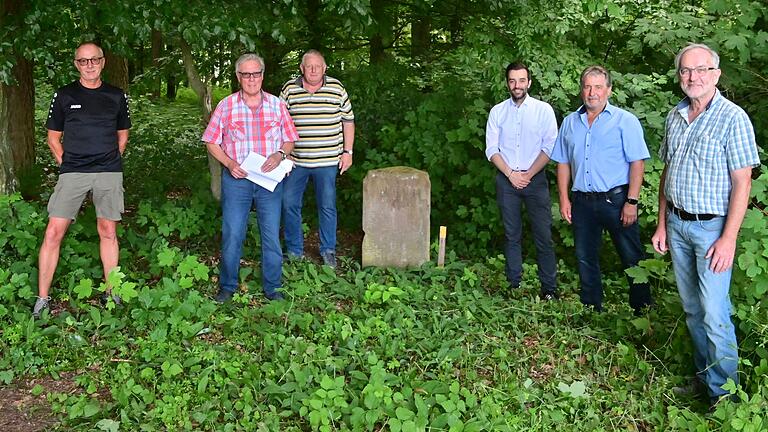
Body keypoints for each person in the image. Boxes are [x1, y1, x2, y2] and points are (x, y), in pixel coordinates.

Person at [652, 44, 758, 406]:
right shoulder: (675, 116)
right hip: (677, 225)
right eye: (685, 70)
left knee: (715, 314)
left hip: (713, 230)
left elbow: (743, 182)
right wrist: (662, 223)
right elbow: (667, 172)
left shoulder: (733, 118)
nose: (692, 77)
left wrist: (729, 239)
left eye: (700, 70)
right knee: (693, 309)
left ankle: (725, 399)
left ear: (715, 74)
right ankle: (705, 380)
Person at [33, 42, 131, 317]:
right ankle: (42, 299)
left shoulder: (116, 95)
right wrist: (69, 164)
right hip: (73, 171)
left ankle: (112, 294)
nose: (90, 65)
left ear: (103, 62)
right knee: (53, 231)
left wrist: (111, 158)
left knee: (108, 231)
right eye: (83, 61)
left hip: (108, 171)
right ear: (77, 64)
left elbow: (122, 134)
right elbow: (53, 138)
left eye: (94, 60)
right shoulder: (64, 95)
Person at [551, 65, 652, 314]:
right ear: (581, 90)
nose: (592, 92)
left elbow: (637, 163)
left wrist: (632, 201)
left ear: (609, 90)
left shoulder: (624, 121)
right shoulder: (570, 122)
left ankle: (643, 310)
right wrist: (564, 199)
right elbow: (563, 162)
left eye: (597, 87)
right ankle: (591, 308)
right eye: (587, 86)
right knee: (585, 257)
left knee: (631, 257)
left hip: (616, 201)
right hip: (582, 202)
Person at [202, 53, 298, 302]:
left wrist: (279, 154)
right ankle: (227, 286)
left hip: (268, 182)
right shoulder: (227, 106)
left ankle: (273, 287)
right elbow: (211, 141)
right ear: (238, 77)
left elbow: (289, 139)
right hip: (237, 181)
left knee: (270, 233)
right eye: (246, 74)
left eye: (256, 73)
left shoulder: (277, 105)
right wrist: (229, 163)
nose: (251, 78)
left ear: (262, 75)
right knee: (233, 232)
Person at [485, 62, 559, 299]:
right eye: (512, 81)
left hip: (535, 180)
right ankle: (513, 285)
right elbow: (491, 149)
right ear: (507, 83)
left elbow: (550, 147)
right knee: (511, 234)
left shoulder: (543, 110)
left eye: (521, 80)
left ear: (529, 82)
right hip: (507, 180)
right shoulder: (497, 112)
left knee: (543, 235)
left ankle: (549, 288)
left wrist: (527, 175)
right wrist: (510, 174)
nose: (517, 85)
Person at [279, 49, 355, 268]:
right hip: (296, 161)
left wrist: (348, 152)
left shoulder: (337, 88)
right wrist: (284, 152)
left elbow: (348, 121)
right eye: (308, 66)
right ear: (302, 68)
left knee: (327, 206)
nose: (313, 70)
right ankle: (294, 251)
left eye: (317, 66)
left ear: (325, 68)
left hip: (328, 160)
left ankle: (328, 250)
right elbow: (279, 122)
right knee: (289, 203)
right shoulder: (289, 89)